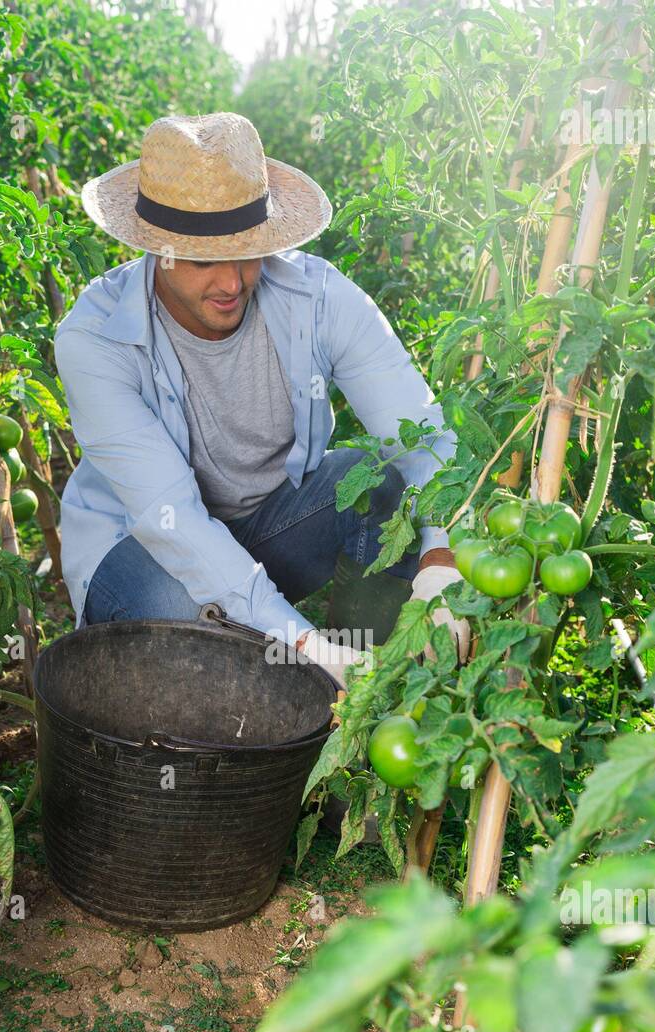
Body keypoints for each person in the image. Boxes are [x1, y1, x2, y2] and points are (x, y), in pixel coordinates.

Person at [54, 111, 467, 689]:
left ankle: (375, 698)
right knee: (197, 624)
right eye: (202, 260)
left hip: (267, 526)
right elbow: (174, 524)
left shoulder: (318, 298)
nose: (231, 282)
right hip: (139, 548)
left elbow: (416, 429)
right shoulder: (97, 339)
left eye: (246, 252)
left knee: (378, 482)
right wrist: (300, 642)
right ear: (158, 251)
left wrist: (441, 550)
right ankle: (300, 684)